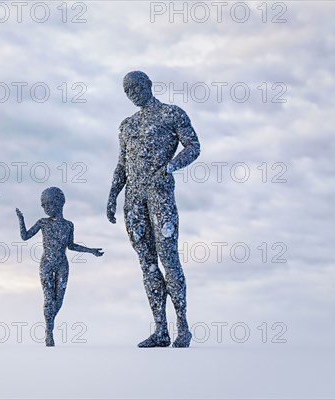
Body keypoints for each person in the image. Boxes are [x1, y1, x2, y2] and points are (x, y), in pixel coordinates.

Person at [107, 71, 200, 348]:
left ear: (149, 85)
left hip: (159, 194)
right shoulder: (126, 125)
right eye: (127, 90)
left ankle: (183, 325)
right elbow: (122, 164)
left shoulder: (171, 114)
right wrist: (113, 195)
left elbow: (193, 147)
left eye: (136, 86)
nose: (133, 93)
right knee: (147, 263)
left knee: (168, 258)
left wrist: (170, 167)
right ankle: (161, 329)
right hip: (133, 199)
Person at [16, 187, 103, 346]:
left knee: (59, 301)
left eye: (48, 204)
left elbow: (71, 245)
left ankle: (49, 321)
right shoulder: (43, 222)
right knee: (49, 299)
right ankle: (49, 332)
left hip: (62, 264)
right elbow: (25, 236)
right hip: (47, 264)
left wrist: (91, 251)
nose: (45, 208)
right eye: (43, 205)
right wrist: (21, 220)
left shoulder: (68, 225)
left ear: (59, 203)